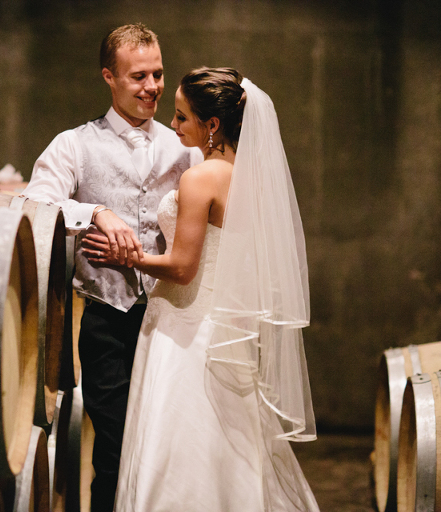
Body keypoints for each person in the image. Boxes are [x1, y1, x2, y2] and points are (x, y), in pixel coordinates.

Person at [83, 67, 320, 511]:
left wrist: (126, 257)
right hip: (225, 327)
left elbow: (181, 267)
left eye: (181, 118)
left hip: (183, 327)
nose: (172, 126)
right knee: (231, 444)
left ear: (212, 125)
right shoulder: (253, 177)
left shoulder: (200, 178)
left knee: (176, 443)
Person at [22, 24, 203, 512]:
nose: (152, 87)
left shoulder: (184, 147)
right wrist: (95, 213)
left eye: (158, 74)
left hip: (171, 320)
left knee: (166, 451)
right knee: (115, 448)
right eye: (138, 76)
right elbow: (35, 203)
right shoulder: (73, 145)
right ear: (109, 77)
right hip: (107, 319)